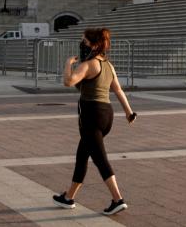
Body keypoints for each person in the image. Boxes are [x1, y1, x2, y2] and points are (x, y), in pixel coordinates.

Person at [53, 27, 136, 216]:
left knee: (100, 159)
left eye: (84, 40)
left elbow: (68, 81)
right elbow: (118, 90)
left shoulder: (89, 65)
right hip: (107, 115)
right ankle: (68, 197)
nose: (82, 44)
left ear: (94, 44)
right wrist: (129, 112)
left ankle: (117, 199)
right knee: (82, 155)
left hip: (91, 116)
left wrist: (68, 64)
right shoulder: (108, 65)